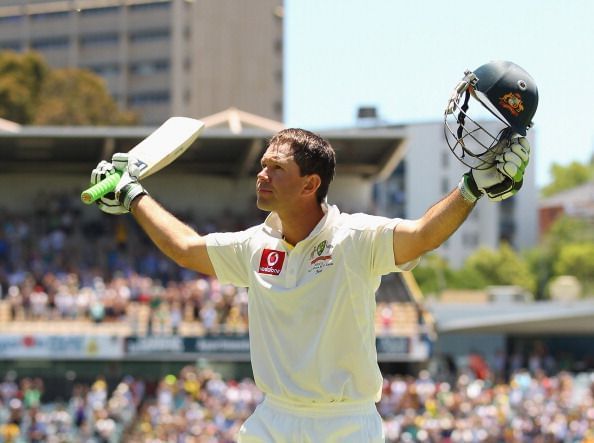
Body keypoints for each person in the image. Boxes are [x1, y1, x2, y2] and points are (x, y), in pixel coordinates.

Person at [89, 61, 536, 442]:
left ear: (310, 184)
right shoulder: (253, 245)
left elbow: (421, 235)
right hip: (273, 419)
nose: (261, 175)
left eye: (275, 168)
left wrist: (471, 188)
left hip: (345, 423)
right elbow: (185, 249)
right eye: (262, 166)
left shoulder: (356, 238)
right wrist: (133, 196)